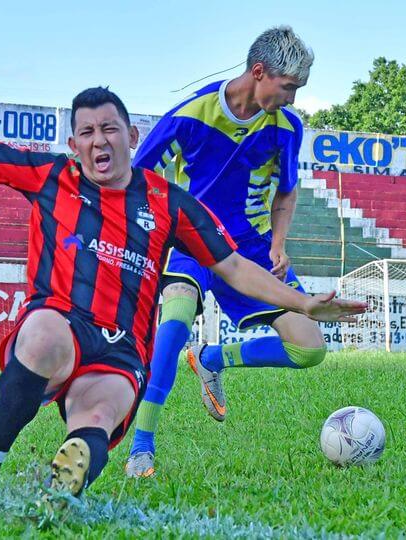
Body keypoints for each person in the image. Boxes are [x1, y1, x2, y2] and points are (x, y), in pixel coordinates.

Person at [0, 53, 366, 516]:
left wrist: (303, 303)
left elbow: (233, 266)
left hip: (120, 352)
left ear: (131, 137)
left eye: (111, 129)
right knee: (45, 335)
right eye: (88, 132)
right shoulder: (52, 177)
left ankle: (61, 489)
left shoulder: (167, 202)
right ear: (74, 144)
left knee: (97, 414)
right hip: (61, 324)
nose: (100, 140)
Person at [126, 26, 324, 478]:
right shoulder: (190, 115)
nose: (293, 99)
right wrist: (153, 232)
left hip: (250, 250)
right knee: (174, 325)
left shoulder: (287, 128)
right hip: (191, 242)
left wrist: (277, 243)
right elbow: (137, 178)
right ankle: (142, 446)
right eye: (289, 87)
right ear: (260, 72)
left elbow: (287, 195)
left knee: (310, 349)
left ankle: (214, 359)